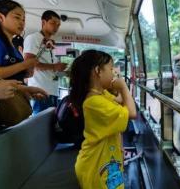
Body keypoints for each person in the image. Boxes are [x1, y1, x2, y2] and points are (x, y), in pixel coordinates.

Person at [70, 50, 136, 189]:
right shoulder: (94, 102)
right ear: (98, 71)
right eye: (111, 69)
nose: (114, 73)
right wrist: (123, 86)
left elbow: (120, 100)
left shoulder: (102, 94)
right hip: (95, 165)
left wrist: (116, 88)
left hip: (106, 158)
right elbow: (131, 112)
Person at [24, 10, 67, 114]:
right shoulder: (33, 38)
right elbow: (29, 64)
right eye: (53, 23)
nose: (56, 27)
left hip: (53, 90)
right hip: (40, 90)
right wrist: (55, 67)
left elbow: (54, 66)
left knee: (50, 125)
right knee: (40, 125)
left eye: (58, 25)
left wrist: (62, 69)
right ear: (43, 22)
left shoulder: (52, 43)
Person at [0, 0, 38, 82]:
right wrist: (23, 65)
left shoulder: (14, 48)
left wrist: (26, 72)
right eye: (17, 17)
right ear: (0, 17)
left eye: (23, 19)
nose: (22, 23)